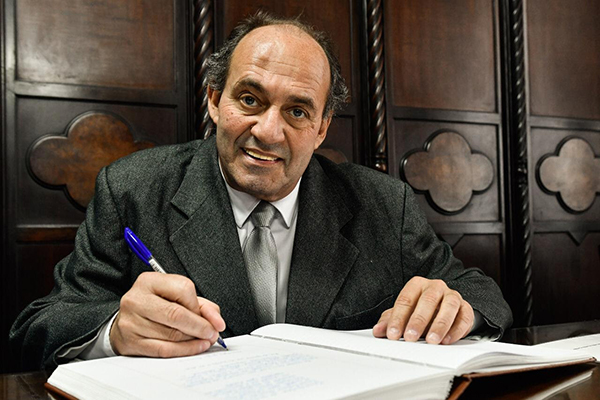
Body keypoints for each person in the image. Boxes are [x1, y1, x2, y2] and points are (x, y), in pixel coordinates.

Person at [10, 12, 512, 372]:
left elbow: (483, 294)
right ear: (214, 99)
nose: (268, 132)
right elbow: (40, 327)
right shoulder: (132, 190)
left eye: (297, 111)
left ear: (321, 128)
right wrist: (115, 331)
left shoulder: (384, 204)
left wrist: (456, 307)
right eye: (250, 99)